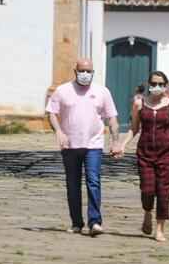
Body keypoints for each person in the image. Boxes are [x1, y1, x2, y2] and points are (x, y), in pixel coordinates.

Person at [111, 70, 169, 242]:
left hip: (168, 152)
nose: (157, 87)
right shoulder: (139, 104)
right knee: (147, 189)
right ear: (149, 85)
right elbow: (134, 128)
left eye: (160, 84)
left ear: (166, 86)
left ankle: (160, 229)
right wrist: (123, 145)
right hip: (145, 152)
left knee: (164, 191)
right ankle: (147, 211)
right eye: (154, 84)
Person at [46, 58, 119, 236]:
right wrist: (59, 132)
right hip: (70, 144)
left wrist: (116, 140)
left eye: (89, 71)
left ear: (93, 72)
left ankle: (95, 221)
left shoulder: (102, 91)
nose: (85, 74)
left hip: (93, 143)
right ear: (75, 71)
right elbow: (52, 113)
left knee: (93, 181)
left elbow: (112, 118)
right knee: (73, 184)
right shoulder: (63, 91)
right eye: (82, 71)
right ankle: (77, 222)